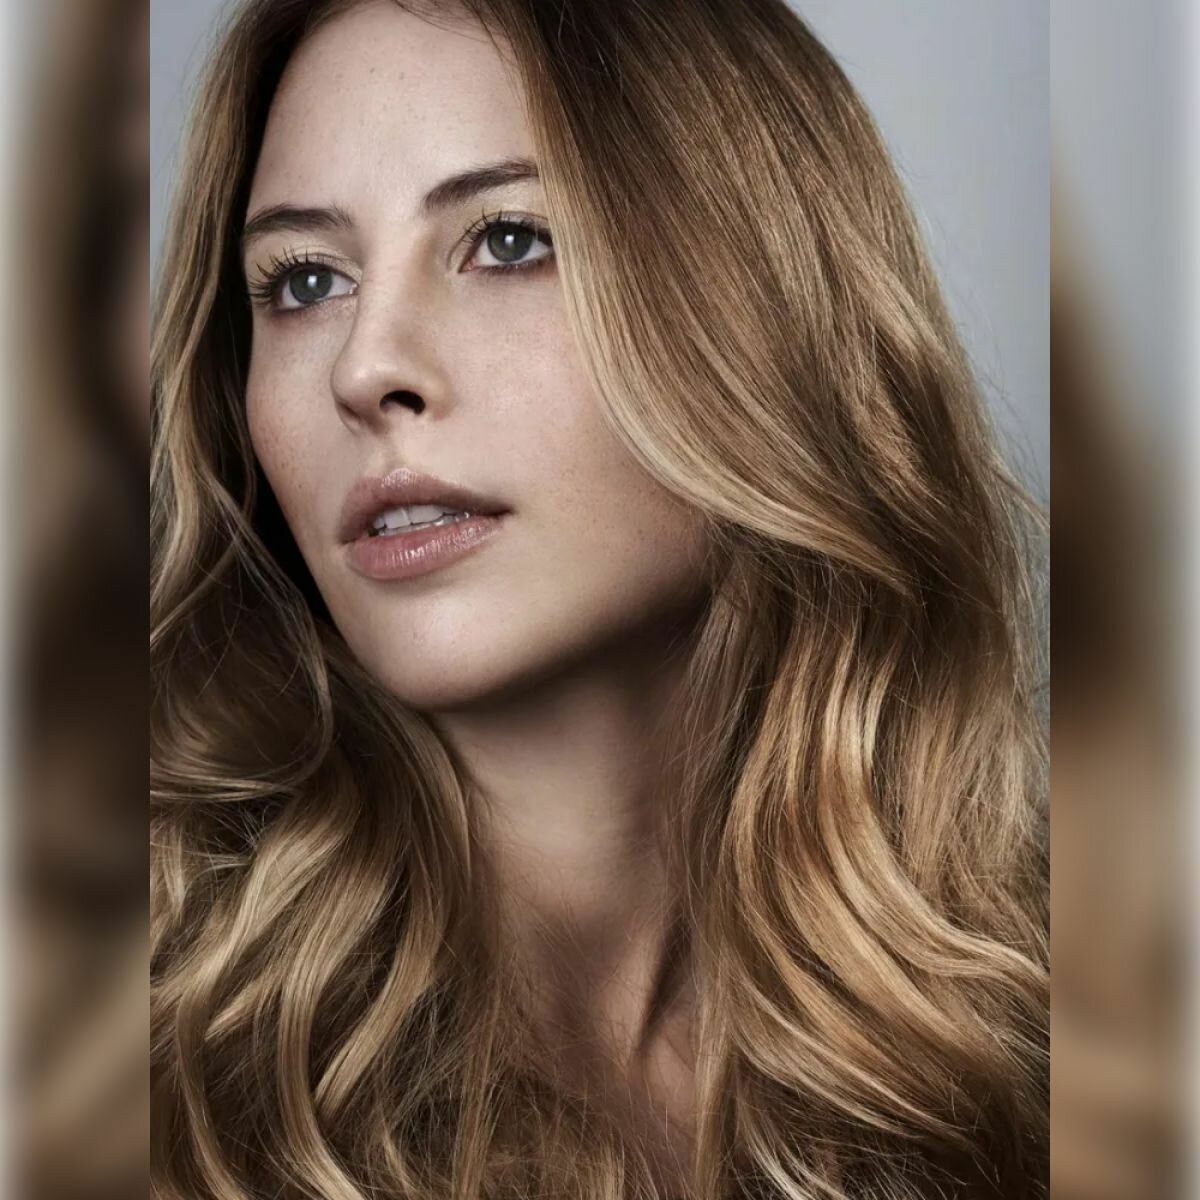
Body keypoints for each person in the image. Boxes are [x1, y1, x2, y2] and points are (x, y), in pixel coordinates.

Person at [150, 1, 1049, 1196]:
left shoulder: (1034, 1038)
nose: (365, 368)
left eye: (509, 241)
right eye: (305, 280)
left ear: (770, 313)